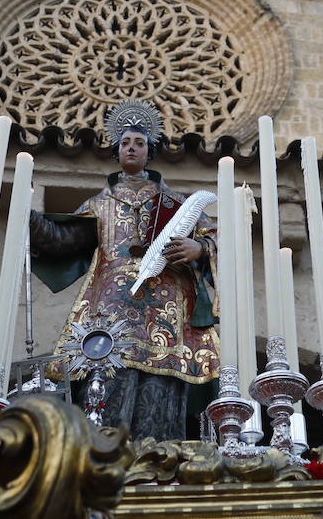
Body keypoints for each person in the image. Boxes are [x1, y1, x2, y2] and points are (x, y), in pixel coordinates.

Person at [30, 101, 219, 441]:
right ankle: (102, 453)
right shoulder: (99, 204)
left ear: (150, 152)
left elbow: (215, 240)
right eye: (126, 143)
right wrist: (26, 216)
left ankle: (157, 460)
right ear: (117, 152)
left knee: (160, 388)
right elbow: (63, 240)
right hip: (110, 311)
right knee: (105, 384)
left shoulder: (175, 204)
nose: (132, 148)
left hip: (166, 315)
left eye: (139, 143)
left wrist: (200, 249)